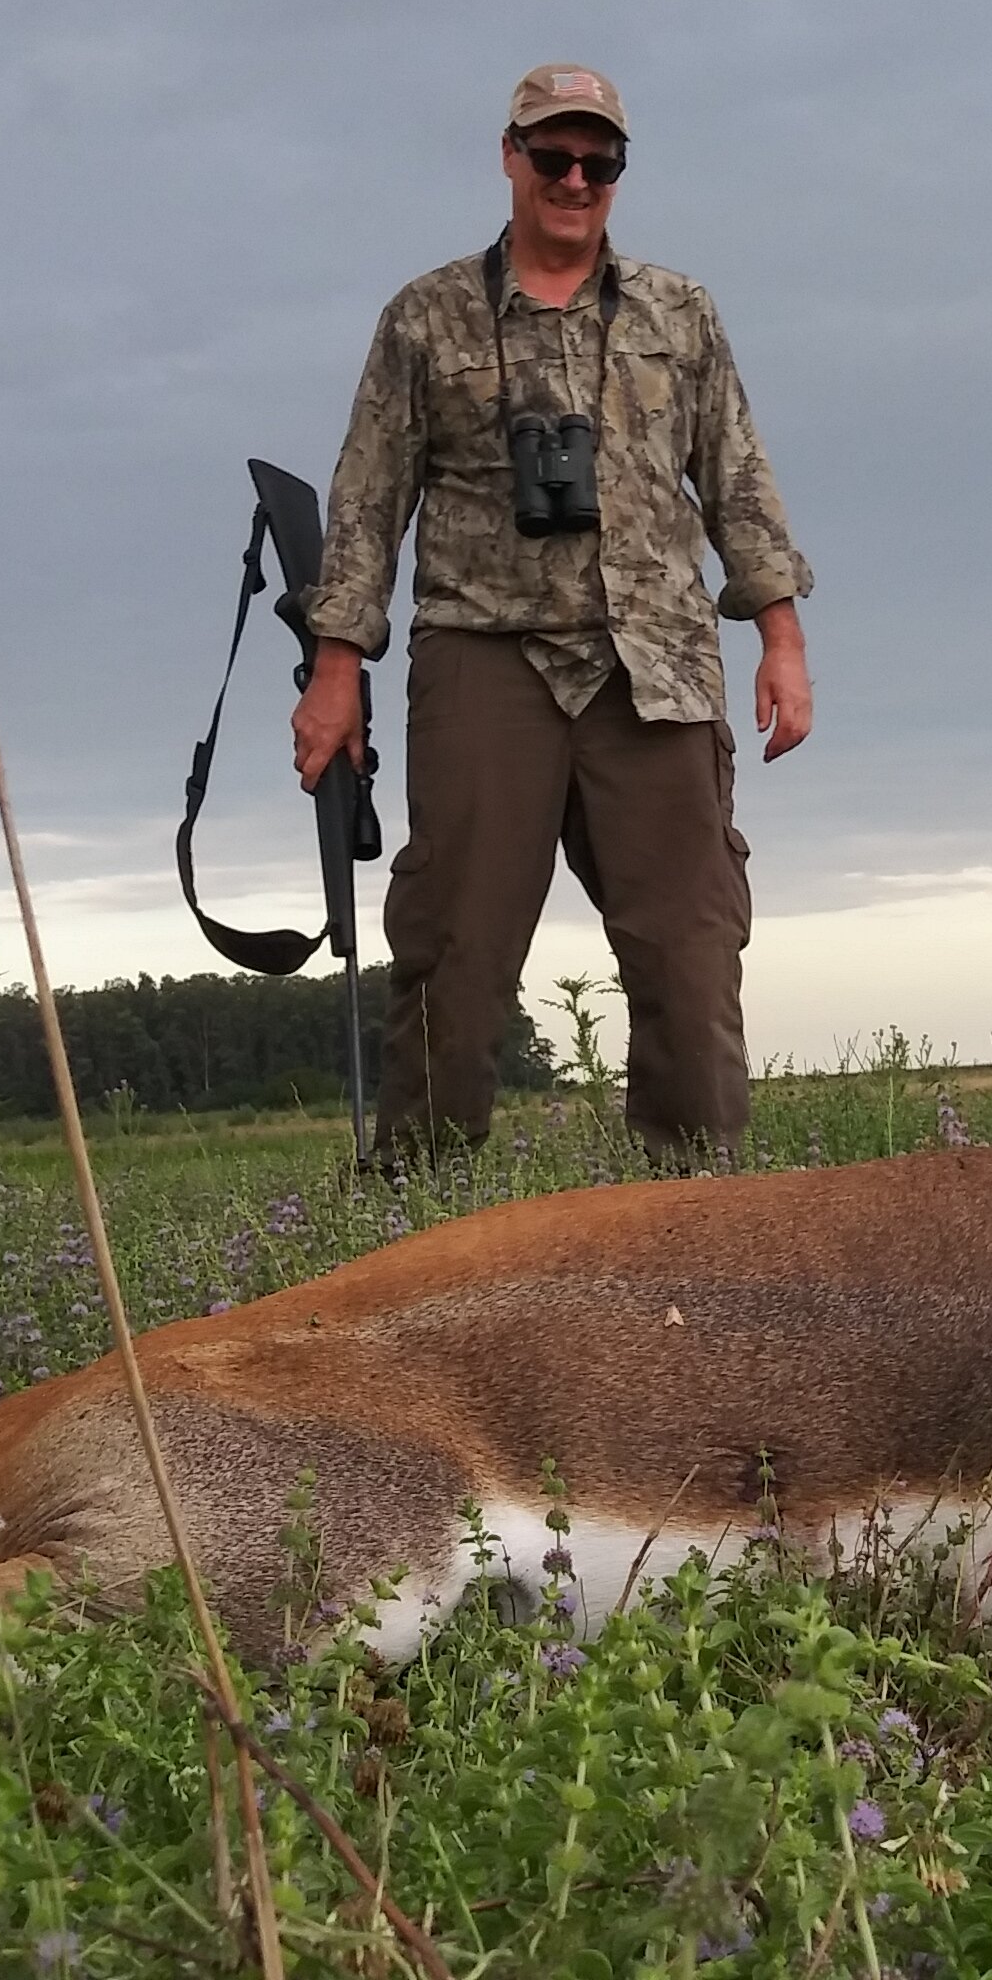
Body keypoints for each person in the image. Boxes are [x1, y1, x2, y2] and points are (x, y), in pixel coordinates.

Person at [295, 63, 812, 1164]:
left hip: (656, 666)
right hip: (484, 659)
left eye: (598, 160)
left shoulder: (681, 313)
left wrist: (779, 637)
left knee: (689, 956)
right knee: (452, 955)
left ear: (617, 171)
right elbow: (365, 499)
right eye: (552, 156)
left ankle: (698, 1228)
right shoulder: (424, 317)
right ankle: (415, 1223)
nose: (574, 178)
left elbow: (739, 481)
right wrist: (334, 671)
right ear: (509, 157)